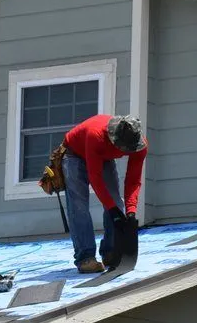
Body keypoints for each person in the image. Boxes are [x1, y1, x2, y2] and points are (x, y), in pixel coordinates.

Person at [62, 114, 148, 273]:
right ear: (116, 140)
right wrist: (111, 209)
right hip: (74, 155)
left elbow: (133, 181)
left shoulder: (138, 145)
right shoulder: (96, 136)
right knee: (79, 207)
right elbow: (96, 179)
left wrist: (131, 211)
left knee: (117, 203)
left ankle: (110, 251)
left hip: (104, 156)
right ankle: (85, 258)